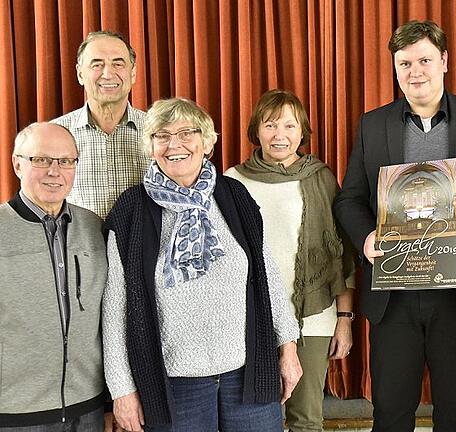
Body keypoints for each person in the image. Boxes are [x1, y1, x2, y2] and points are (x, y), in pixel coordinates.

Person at [333, 20, 456, 431]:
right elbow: (349, 199)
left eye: (424, 60)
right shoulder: (373, 125)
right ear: (394, 67)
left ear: (443, 61)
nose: (415, 72)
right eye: (404, 63)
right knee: (389, 414)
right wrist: (366, 236)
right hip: (393, 293)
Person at [101, 98, 302, 432]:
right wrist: (122, 390)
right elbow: (115, 308)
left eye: (187, 133)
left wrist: (288, 348)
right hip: (173, 385)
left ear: (208, 142)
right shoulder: (131, 210)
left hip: (248, 373)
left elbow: (268, 277)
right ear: (150, 146)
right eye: (161, 136)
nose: (174, 144)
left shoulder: (235, 195)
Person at [225, 89, 356, 432]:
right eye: (270, 125)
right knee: (252, 416)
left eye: (289, 125)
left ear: (302, 132)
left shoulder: (320, 178)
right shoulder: (232, 180)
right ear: (257, 130)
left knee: (307, 418)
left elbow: (340, 253)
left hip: (313, 315)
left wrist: (344, 318)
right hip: (249, 316)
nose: (279, 135)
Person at [0, 123, 112, 430]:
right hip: (16, 413)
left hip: (88, 407)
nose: (55, 171)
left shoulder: (93, 227)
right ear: (17, 164)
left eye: (65, 161)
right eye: (41, 160)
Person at [52, 30, 150, 219]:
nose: (108, 74)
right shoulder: (55, 134)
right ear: (80, 74)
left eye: (118, 64)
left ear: (133, 73)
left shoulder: (160, 133)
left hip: (146, 248)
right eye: (97, 64)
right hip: (76, 248)